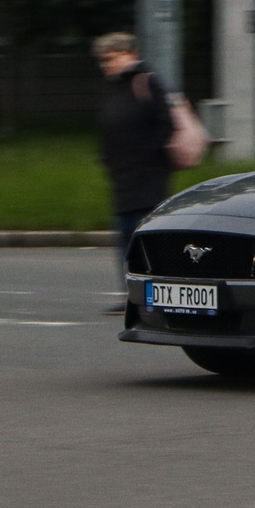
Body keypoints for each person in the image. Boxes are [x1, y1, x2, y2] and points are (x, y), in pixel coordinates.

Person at [95, 31, 176, 314]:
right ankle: (132, 294)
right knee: (126, 239)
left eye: (111, 58)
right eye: (102, 60)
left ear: (129, 54)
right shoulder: (116, 87)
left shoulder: (147, 82)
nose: (106, 65)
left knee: (146, 238)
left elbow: (165, 124)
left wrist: (147, 157)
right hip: (123, 178)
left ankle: (154, 296)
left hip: (148, 177)